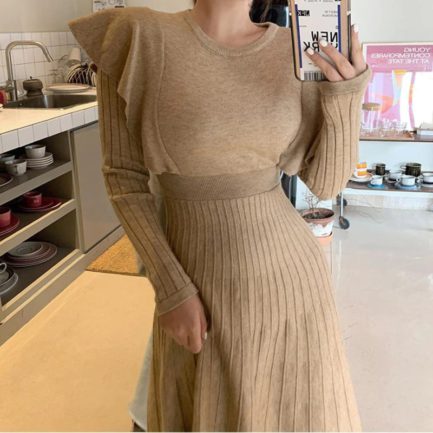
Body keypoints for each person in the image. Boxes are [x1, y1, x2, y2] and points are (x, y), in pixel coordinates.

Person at [68, 0, 371, 430]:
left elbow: (326, 183)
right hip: (197, 281)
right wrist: (170, 288)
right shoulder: (137, 36)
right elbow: (123, 178)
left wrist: (345, 94)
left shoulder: (295, 50)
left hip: (292, 285)